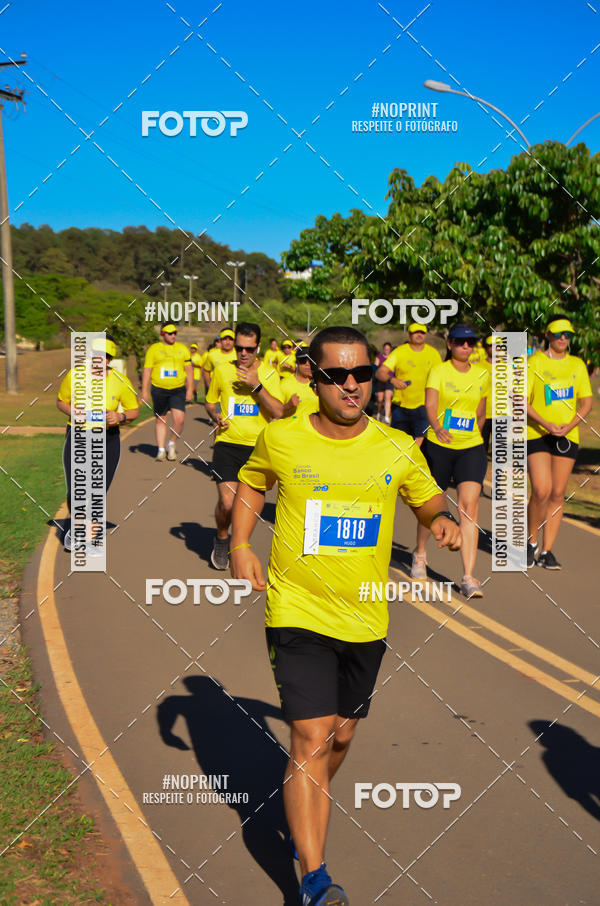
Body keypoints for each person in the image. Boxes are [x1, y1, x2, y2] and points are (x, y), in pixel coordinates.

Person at [230, 326, 461, 906]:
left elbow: (426, 494)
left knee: (340, 735)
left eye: (361, 374)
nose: (351, 385)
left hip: (365, 620)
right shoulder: (282, 437)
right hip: (296, 608)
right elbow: (252, 483)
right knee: (309, 735)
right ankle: (313, 877)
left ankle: (303, 801)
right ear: (314, 375)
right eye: (336, 374)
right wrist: (239, 544)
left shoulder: (397, 444)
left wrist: (440, 520)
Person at [411, 322, 489, 598]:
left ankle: (468, 576)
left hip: (471, 448)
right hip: (439, 445)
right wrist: (438, 427)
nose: (465, 346)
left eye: (470, 342)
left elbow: (481, 411)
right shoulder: (439, 371)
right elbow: (430, 406)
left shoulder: (482, 374)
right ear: (449, 344)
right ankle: (420, 553)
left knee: (469, 508)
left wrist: (474, 435)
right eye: (459, 341)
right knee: (435, 502)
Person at [205, 322, 284, 570]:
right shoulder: (221, 370)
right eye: (239, 348)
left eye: (249, 349)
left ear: (258, 347)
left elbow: (279, 412)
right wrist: (215, 415)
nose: (243, 353)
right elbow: (210, 402)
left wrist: (256, 385)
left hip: (258, 448)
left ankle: (239, 547)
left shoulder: (270, 374)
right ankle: (221, 536)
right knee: (227, 503)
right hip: (227, 444)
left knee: (246, 507)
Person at [57, 335, 139, 551]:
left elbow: (134, 410)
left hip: (107, 439)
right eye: (96, 355)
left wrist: (120, 417)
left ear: (110, 359)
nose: (99, 360)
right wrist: (72, 411)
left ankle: (88, 535)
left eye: (105, 356)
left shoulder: (121, 381)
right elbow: (61, 402)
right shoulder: (74, 375)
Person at [526, 317, 593, 569]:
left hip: (567, 436)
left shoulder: (577, 365)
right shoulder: (534, 362)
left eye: (567, 334)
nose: (563, 338)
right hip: (537, 433)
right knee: (541, 489)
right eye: (558, 334)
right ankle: (531, 543)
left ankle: (547, 551)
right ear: (547, 335)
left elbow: (586, 403)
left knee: (556, 493)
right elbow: (522, 400)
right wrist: (547, 424)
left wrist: (569, 426)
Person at [375, 323, 442, 445]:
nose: (419, 335)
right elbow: (380, 373)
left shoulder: (433, 354)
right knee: (399, 444)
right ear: (409, 334)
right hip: (400, 407)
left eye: (422, 332)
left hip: (424, 406)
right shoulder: (400, 352)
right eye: (416, 332)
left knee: (421, 445)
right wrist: (393, 380)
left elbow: (442, 378)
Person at [142, 324, 193, 462]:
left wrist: (190, 389)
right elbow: (147, 370)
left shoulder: (182, 349)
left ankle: (171, 443)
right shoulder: (154, 349)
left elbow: (189, 370)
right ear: (163, 334)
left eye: (174, 333)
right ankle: (161, 450)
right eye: (170, 333)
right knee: (161, 419)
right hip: (159, 388)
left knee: (179, 419)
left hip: (178, 389)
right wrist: (144, 391)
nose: (173, 336)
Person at [280, 342, 319, 418]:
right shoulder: (284, 384)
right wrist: (288, 406)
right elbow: (274, 412)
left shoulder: (320, 383)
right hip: (292, 429)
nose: (307, 364)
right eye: (303, 360)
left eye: (310, 361)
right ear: (296, 363)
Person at [373, 342, 393, 423]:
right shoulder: (379, 357)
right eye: (385, 349)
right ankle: (379, 412)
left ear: (390, 349)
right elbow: (375, 367)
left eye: (388, 349)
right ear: (383, 349)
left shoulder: (393, 357)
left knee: (388, 398)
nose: (387, 350)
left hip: (390, 380)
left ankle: (387, 417)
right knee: (380, 399)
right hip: (380, 380)